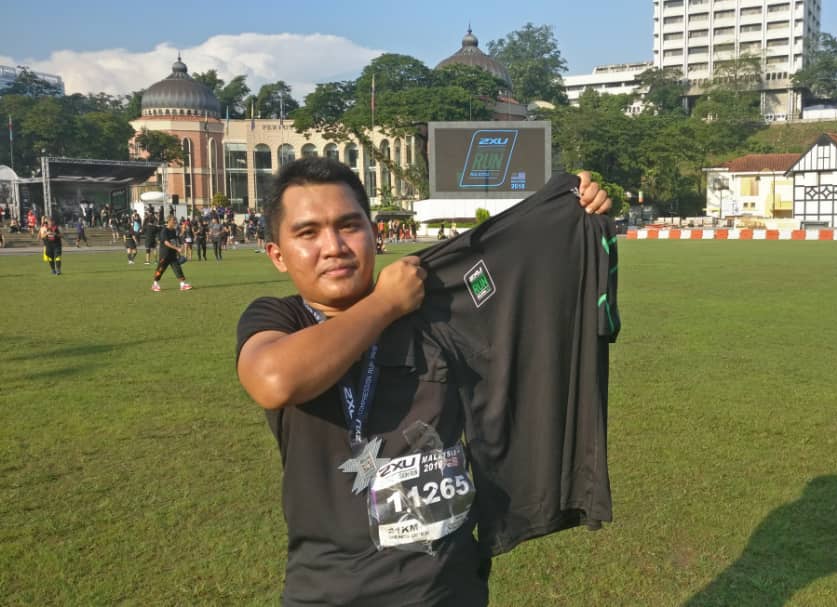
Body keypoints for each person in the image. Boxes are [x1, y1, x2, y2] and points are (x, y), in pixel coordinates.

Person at [235, 158, 610, 606]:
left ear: (374, 233)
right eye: (308, 233)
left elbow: (529, 284)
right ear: (277, 254)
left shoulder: (433, 308)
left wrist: (570, 206)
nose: (333, 246)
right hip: (330, 592)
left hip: (447, 589)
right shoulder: (280, 318)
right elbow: (274, 380)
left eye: (349, 225)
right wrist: (385, 304)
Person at [151, 216, 192, 292]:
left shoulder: (173, 230)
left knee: (177, 268)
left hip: (172, 254)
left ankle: (182, 284)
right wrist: (177, 248)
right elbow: (166, 242)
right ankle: (155, 284)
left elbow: (175, 240)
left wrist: (182, 233)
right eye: (173, 221)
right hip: (165, 254)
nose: (175, 222)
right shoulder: (164, 230)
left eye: (175, 220)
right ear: (169, 221)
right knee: (160, 269)